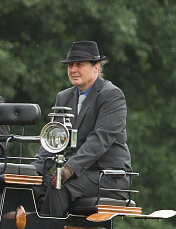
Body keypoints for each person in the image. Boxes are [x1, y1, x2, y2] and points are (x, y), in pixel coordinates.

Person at [33, 41, 132, 216]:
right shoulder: (64, 97)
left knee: (58, 187)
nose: (73, 70)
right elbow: (54, 139)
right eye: (70, 65)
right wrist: (33, 170)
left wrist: (69, 169)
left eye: (80, 65)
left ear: (96, 68)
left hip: (107, 176)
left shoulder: (112, 95)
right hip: (76, 174)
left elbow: (100, 140)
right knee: (31, 187)